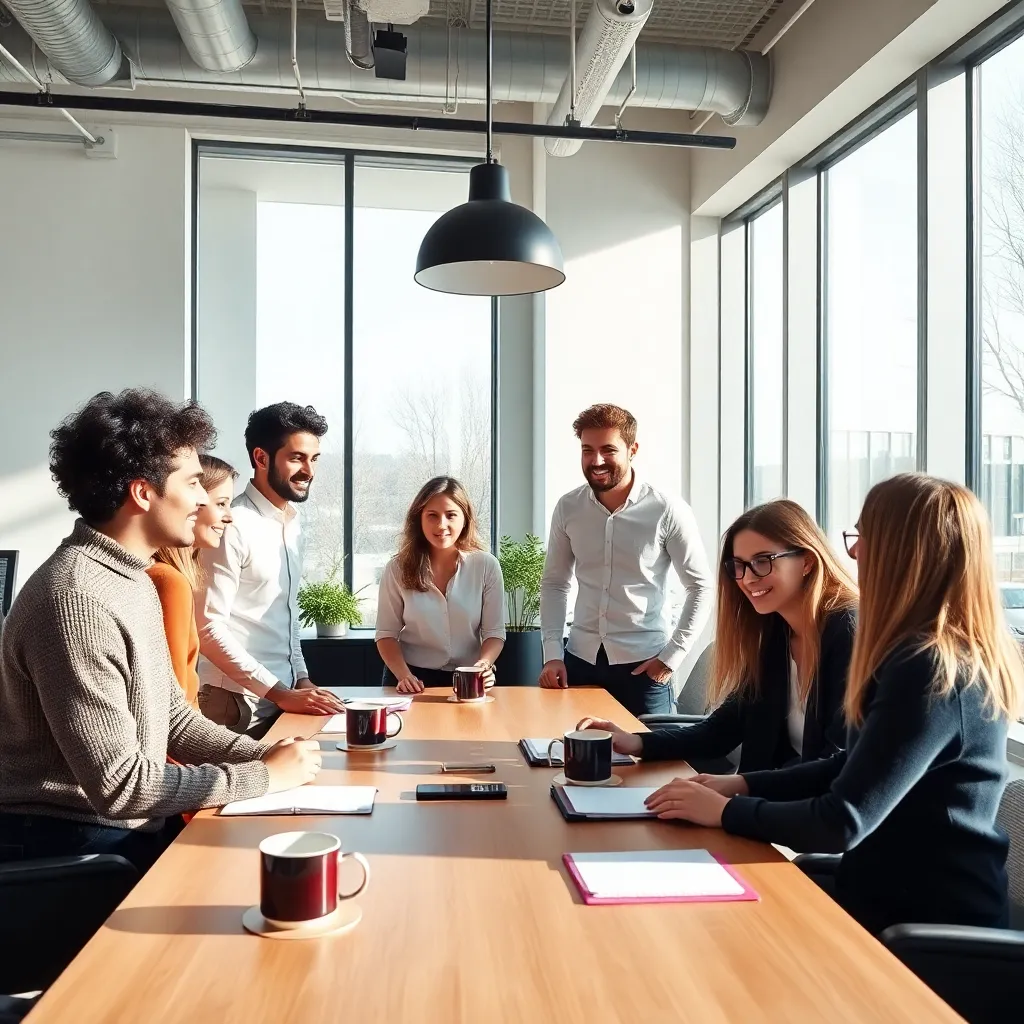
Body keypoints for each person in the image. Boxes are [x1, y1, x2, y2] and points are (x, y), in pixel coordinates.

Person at [645, 473, 1023, 934]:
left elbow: (843, 819)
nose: (855, 551)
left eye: (864, 537)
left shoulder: (932, 667)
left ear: (904, 550)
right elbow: (853, 765)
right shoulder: (921, 652)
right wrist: (739, 785)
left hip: (926, 926)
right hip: (880, 887)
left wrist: (725, 811)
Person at [0, 390, 322, 873]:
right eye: (193, 483)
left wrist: (269, 754)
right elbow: (121, 785)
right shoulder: (77, 600)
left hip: (118, 832)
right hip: (73, 849)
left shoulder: (132, 577)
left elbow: (173, 719)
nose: (203, 499)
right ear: (143, 492)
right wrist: (263, 776)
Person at [579, 499, 857, 774]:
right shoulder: (774, 634)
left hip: (808, 812)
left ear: (807, 561)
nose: (747, 579)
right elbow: (721, 731)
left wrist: (735, 792)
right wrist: (635, 742)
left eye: (763, 561)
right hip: (770, 805)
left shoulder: (848, 632)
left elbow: (836, 765)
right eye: (739, 565)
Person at [538, 404, 713, 717]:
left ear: (633, 449)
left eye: (608, 449)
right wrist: (552, 654)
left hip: (644, 671)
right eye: (587, 450)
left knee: (653, 765)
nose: (596, 461)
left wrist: (671, 658)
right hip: (579, 663)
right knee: (571, 759)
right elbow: (554, 584)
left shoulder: (667, 510)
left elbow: (701, 587)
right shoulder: (568, 508)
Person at [196, 402, 345, 739]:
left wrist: (301, 678)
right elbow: (207, 627)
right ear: (261, 459)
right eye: (296, 458)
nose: (309, 470)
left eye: (314, 458)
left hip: (284, 695)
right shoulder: (231, 525)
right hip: (235, 704)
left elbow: (286, 617)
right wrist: (279, 691)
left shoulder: (291, 526)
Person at [376, 477, 505, 693]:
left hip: (468, 677)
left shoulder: (486, 566)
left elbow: (494, 632)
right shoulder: (397, 568)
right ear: (419, 519)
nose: (441, 525)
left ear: (465, 518)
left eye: (451, 515)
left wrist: (484, 665)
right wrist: (404, 676)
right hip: (410, 678)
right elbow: (386, 634)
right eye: (432, 516)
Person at [149, 455, 238, 709]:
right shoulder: (169, 582)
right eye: (221, 504)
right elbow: (178, 701)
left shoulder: (170, 576)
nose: (229, 517)